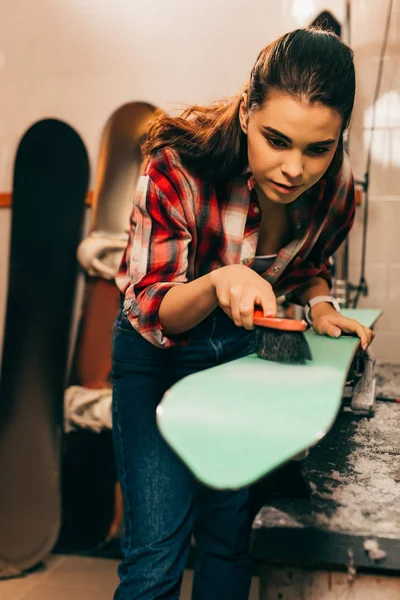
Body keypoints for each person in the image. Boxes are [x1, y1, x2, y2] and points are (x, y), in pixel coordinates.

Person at [112, 27, 374, 600]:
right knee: (156, 560)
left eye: (317, 148)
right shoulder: (177, 167)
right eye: (276, 139)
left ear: (339, 139)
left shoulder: (335, 190)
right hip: (157, 359)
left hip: (237, 354)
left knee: (231, 542)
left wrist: (323, 306)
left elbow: (304, 268)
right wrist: (220, 281)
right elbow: (155, 309)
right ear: (247, 111)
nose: (293, 168)